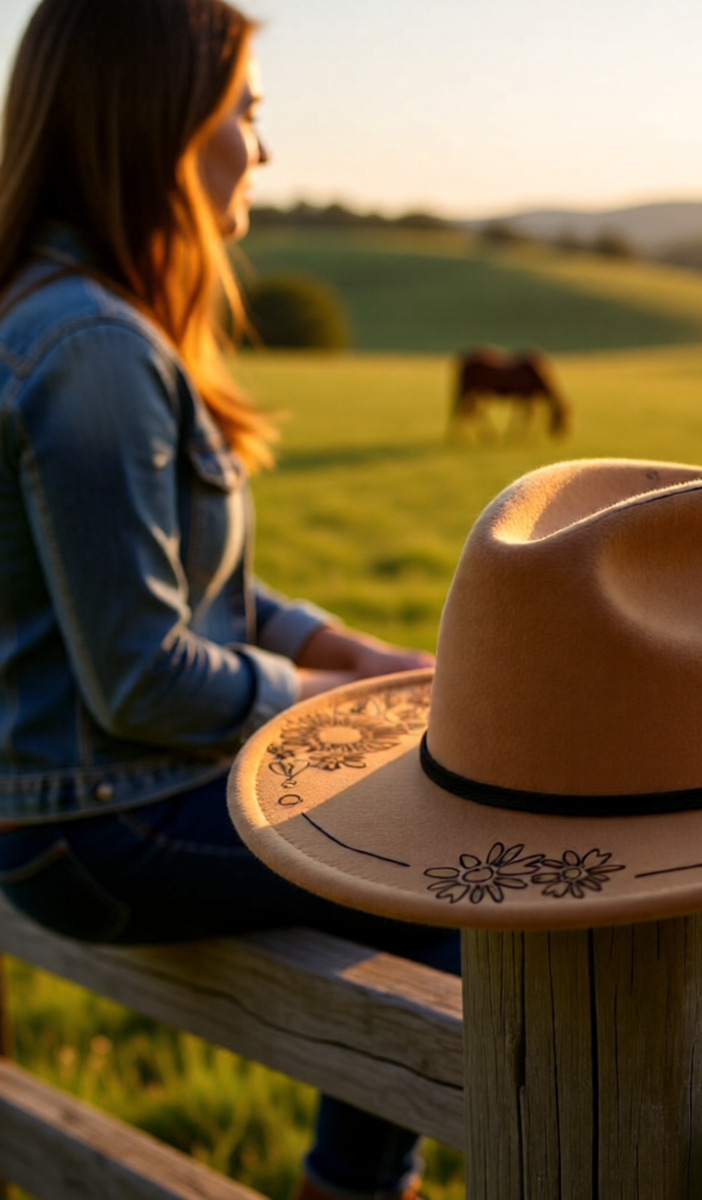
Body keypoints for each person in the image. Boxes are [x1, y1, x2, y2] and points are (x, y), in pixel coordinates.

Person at [0, 2, 459, 1197]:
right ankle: (359, 1188)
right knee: (435, 867)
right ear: (162, 123)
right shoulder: (92, 348)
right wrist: (341, 712)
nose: (262, 149)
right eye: (247, 114)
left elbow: (208, 595)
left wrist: (356, 654)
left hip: (70, 803)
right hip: (99, 820)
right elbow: (146, 673)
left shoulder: (65, 319)